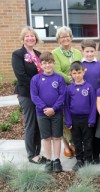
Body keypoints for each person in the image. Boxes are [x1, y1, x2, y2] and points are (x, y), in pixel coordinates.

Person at [12, 26, 46, 164]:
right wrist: (36, 88)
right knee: (31, 124)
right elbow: (21, 76)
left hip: (39, 95)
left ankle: (37, 152)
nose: (30, 38)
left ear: (36, 38)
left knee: (38, 124)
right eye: (27, 36)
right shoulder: (18, 54)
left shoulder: (38, 54)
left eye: (32, 36)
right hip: (26, 94)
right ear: (23, 39)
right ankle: (32, 154)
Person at [30, 51, 66, 173]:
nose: (47, 66)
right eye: (44, 63)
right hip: (42, 113)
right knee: (46, 138)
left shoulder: (59, 78)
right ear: (40, 65)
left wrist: (54, 108)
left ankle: (56, 160)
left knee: (56, 137)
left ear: (54, 63)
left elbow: (62, 95)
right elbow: (34, 96)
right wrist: (45, 108)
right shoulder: (36, 79)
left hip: (57, 112)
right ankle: (49, 160)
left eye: (50, 63)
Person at [52, 26, 82, 158]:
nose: (65, 38)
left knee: (75, 116)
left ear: (71, 37)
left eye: (67, 36)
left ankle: (75, 143)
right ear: (58, 39)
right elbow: (57, 71)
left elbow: (82, 67)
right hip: (62, 89)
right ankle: (66, 145)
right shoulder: (55, 53)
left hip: (77, 90)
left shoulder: (77, 52)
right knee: (64, 117)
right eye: (62, 36)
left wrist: (78, 78)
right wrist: (72, 78)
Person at [64, 61, 97, 171]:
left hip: (87, 119)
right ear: (71, 74)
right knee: (77, 140)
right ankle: (80, 160)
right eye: (74, 73)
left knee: (87, 140)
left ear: (83, 72)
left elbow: (93, 105)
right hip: (74, 119)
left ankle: (88, 159)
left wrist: (92, 119)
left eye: (79, 72)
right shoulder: (69, 89)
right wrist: (68, 121)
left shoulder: (89, 87)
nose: (77, 75)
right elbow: (67, 106)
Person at [81, 39, 100, 164]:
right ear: (82, 51)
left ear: (95, 51)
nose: (89, 54)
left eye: (91, 51)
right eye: (87, 51)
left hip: (97, 102)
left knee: (95, 130)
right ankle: (87, 154)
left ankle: (96, 154)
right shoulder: (79, 64)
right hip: (83, 102)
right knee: (85, 130)